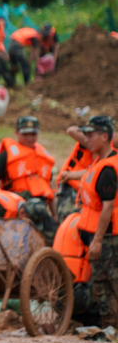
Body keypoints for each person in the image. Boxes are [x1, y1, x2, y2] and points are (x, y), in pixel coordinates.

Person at [71, 116, 118, 327]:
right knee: (100, 283)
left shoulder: (108, 169)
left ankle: (113, 326)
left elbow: (108, 206)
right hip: (97, 232)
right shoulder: (98, 162)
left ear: (105, 136)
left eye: (91, 135)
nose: (87, 139)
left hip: (108, 236)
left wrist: (97, 240)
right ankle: (110, 327)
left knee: (112, 282)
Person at [0, 116, 56, 217]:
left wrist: (54, 215)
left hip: (40, 207)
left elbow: (48, 187)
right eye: (25, 134)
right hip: (17, 206)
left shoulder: (44, 157)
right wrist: (3, 200)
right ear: (16, 133)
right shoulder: (7, 155)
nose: (29, 138)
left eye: (33, 134)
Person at [56, 126, 95, 222]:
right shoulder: (98, 143)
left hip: (87, 193)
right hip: (74, 190)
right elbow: (71, 130)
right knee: (70, 223)